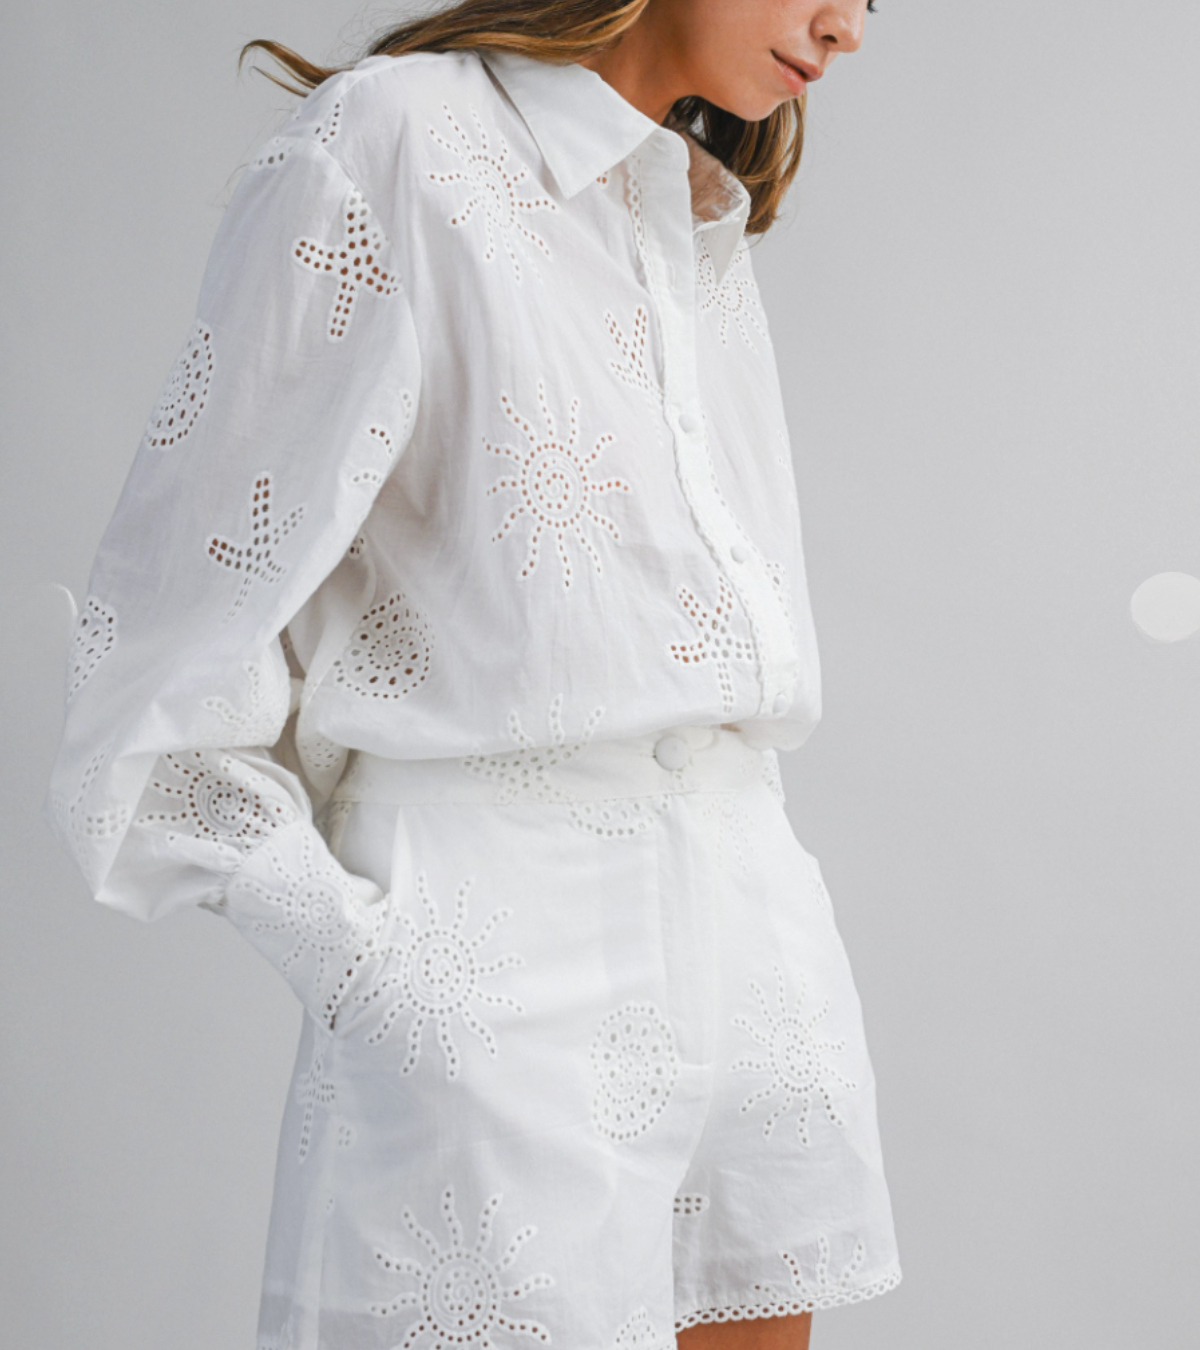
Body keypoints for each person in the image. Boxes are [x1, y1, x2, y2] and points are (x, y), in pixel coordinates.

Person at [42, 1, 901, 1346]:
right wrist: (375, 971)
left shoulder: (687, 202)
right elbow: (160, 652)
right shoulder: (395, 142)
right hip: (500, 949)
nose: (846, 28)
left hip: (750, 926)